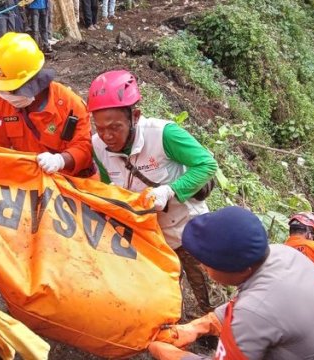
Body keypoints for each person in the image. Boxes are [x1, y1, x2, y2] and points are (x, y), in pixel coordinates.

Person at [148, 206, 314, 359]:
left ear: (236, 269)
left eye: (205, 262)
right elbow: (248, 305)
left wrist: (172, 355)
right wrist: (196, 327)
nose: (201, 266)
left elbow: (254, 311)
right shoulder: (282, 254)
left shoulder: (254, 312)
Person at [88, 70, 218, 314]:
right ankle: (171, 327)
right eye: (100, 127)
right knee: (163, 286)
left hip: (186, 226)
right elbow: (107, 182)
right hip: (149, 233)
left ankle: (212, 326)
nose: (107, 136)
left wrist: (170, 190)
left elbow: (207, 165)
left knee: (201, 279)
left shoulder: (163, 135)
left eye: (115, 127)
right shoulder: (98, 145)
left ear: (134, 116)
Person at [0, 32, 94, 177]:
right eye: (2, 89)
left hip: (67, 182)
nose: (4, 95)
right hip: (28, 179)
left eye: (10, 90)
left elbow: (85, 149)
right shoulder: (1, 98)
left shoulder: (70, 105)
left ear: (32, 83)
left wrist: (61, 160)